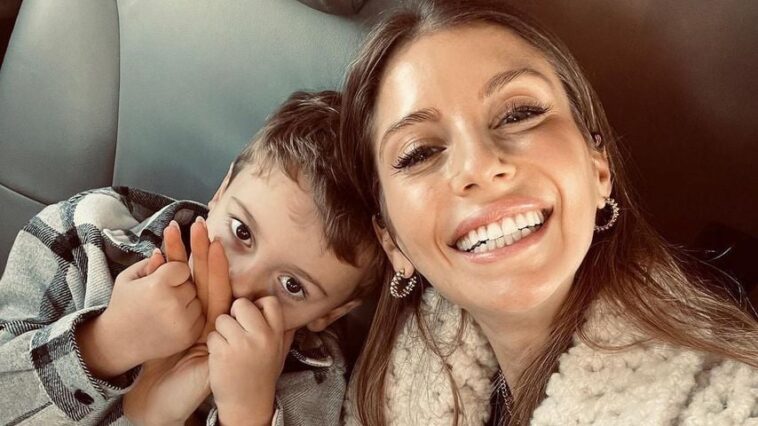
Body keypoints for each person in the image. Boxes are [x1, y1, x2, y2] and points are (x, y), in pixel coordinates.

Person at [338, 1, 758, 424]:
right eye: (420, 152)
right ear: (392, 242)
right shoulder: (374, 395)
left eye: (519, 114)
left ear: (599, 170)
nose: (478, 166)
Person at [0, 90, 382, 425]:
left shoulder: (314, 382)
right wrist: (105, 345)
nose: (240, 284)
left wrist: (246, 415)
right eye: (242, 232)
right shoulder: (87, 237)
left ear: (329, 313)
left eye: (292, 285)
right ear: (222, 190)